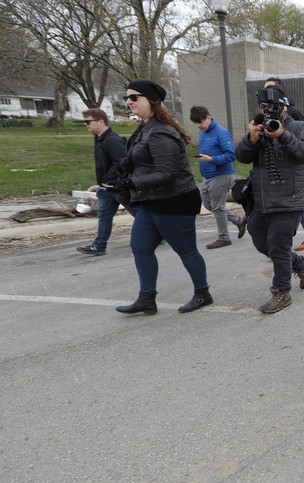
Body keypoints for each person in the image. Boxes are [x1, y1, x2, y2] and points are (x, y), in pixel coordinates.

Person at [110, 80, 213, 315]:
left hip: (175, 200)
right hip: (151, 200)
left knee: (186, 251)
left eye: (135, 97)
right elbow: (146, 161)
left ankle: (203, 293)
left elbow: (167, 173)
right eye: (127, 97)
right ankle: (147, 298)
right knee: (140, 247)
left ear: (151, 101)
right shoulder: (145, 128)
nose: (129, 101)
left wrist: (130, 182)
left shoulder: (160, 132)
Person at [235, 83, 304, 314]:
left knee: (279, 247)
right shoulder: (259, 129)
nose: (268, 111)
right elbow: (241, 157)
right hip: (261, 201)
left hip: (289, 200)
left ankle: (282, 291)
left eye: (273, 107)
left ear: (284, 108)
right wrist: (251, 139)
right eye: (264, 107)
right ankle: (301, 264)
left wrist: (283, 135)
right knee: (262, 243)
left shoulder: (300, 127)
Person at [263, 77, 304, 251]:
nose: (266, 93)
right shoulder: (266, 113)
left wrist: (284, 135)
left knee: (296, 203)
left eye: (269, 89)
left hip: (293, 171)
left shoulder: (289, 112)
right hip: (276, 173)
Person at [76, 108, 136, 256]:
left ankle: (161, 233)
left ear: (101, 121)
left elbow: (123, 162)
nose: (86, 124)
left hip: (118, 188)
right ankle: (99, 245)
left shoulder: (112, 140)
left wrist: (110, 179)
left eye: (88, 121)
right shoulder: (99, 139)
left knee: (139, 214)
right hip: (105, 189)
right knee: (104, 216)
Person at [189, 105, 247, 249]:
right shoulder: (203, 132)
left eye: (200, 122)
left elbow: (231, 155)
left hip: (222, 174)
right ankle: (239, 221)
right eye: (196, 123)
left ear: (208, 117)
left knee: (218, 206)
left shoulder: (221, 132)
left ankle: (224, 238)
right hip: (207, 175)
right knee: (209, 205)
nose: (198, 126)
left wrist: (212, 160)